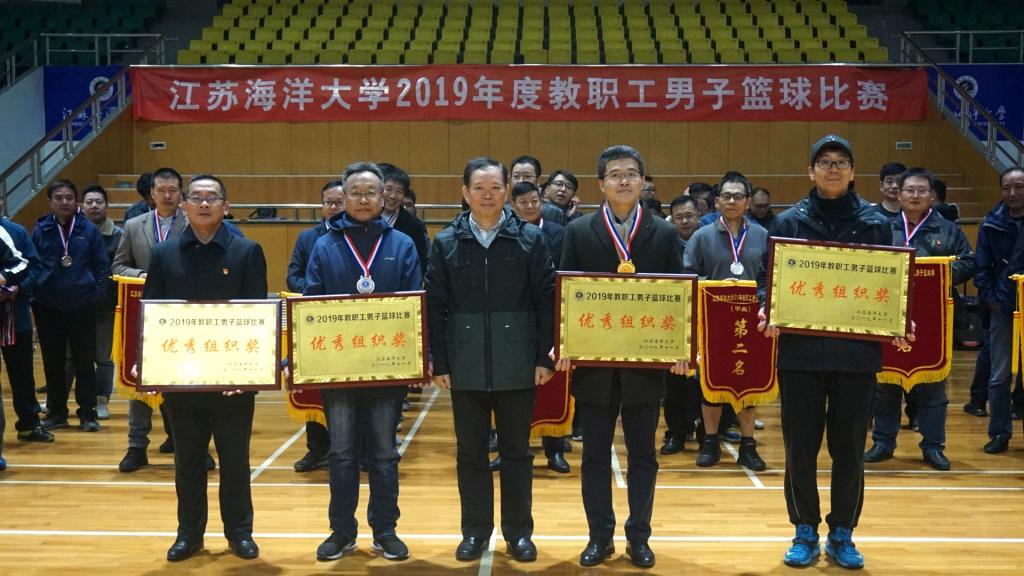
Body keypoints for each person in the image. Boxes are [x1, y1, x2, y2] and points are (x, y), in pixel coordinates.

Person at [757, 135, 902, 570]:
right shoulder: (787, 222)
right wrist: (768, 307)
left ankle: (842, 532)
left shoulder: (875, 223)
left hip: (856, 355)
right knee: (800, 449)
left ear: (853, 172)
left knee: (849, 449)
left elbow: (892, 282)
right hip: (800, 354)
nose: (833, 168)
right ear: (811, 171)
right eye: (824, 162)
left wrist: (900, 316)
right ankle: (804, 529)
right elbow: (768, 279)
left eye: (841, 162)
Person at [557, 145, 688, 569]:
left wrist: (680, 347)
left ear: (643, 181)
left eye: (631, 173)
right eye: (615, 174)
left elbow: (677, 294)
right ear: (601, 184)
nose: (624, 181)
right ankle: (599, 537)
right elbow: (565, 293)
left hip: (644, 367)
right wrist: (565, 343)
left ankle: (639, 537)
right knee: (594, 456)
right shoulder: (578, 231)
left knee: (643, 456)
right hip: (594, 366)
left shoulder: (663, 233)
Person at [426, 157, 555, 564]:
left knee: (517, 453)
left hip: (518, 362)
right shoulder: (446, 242)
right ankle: (475, 532)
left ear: (507, 192)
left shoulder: (530, 239)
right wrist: (439, 361)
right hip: (464, 365)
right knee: (470, 454)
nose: (487, 195)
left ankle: (519, 533)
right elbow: (435, 306)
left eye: (495, 187)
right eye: (479, 188)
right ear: (465, 193)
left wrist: (544, 356)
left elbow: (547, 301)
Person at [144, 174, 267, 562]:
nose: (202, 203)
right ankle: (189, 534)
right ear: (183, 205)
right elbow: (153, 315)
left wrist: (245, 374)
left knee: (235, 463)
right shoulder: (164, 254)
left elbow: (257, 318)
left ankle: (239, 533)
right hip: (182, 381)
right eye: (195, 197)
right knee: (188, 463)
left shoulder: (247, 251)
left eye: (211, 197)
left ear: (225, 206)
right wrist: (157, 370)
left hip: (233, 382)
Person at [304, 162, 421, 562]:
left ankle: (385, 530)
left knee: (384, 454)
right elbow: (312, 303)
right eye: (356, 192)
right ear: (344, 197)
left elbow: (414, 303)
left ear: (384, 196)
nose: (364, 199)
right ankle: (341, 531)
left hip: (387, 368)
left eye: (372, 192)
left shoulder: (402, 244)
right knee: (341, 453)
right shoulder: (325, 245)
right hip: (338, 369)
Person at [865, 167, 974, 471]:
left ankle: (933, 446)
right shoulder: (882, 227)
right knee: (886, 385)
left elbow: (969, 262)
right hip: (889, 315)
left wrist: (935, 274)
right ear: (898, 194)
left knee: (933, 386)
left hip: (933, 319)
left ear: (932, 196)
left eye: (921, 190)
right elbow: (867, 261)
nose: (915, 195)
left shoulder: (948, 230)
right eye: (909, 190)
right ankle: (883, 442)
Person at [112, 167, 204, 473]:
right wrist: (144, 275)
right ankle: (136, 447)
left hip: (184, 317)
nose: (167, 195)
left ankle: (192, 447)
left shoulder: (195, 223)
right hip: (144, 317)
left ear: (181, 194)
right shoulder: (133, 225)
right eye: (161, 190)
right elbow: (118, 266)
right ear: (151, 194)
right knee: (139, 381)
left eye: (173, 190)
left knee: (187, 383)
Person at [684, 172, 768, 472]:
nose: (732, 201)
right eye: (726, 196)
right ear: (717, 201)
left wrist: (758, 298)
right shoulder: (701, 236)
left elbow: (769, 278)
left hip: (751, 323)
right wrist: (718, 287)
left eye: (738, 196)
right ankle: (710, 442)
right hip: (714, 323)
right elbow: (688, 276)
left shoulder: (762, 235)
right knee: (711, 383)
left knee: (748, 383)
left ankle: (748, 445)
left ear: (747, 201)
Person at [32, 179, 108, 433]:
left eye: (69, 198)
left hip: (82, 305)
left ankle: (88, 414)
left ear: (76, 202)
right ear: (50, 202)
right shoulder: (41, 229)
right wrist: (35, 298)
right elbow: (34, 265)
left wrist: (96, 296)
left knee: (85, 363)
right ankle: (56, 413)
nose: (64, 202)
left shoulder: (88, 229)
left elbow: (101, 266)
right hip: (48, 306)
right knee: (53, 362)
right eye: (58, 198)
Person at [510, 180, 570, 474]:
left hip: (552, 314)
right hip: (516, 318)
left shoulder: (559, 233)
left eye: (535, 201)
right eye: (523, 202)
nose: (530, 206)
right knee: (512, 387)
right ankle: (511, 448)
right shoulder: (507, 232)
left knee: (553, 383)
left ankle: (554, 449)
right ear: (513, 206)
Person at [286, 180, 345, 473]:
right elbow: (293, 276)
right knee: (315, 388)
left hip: (347, 323)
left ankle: (354, 450)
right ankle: (317, 449)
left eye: (339, 202)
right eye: (328, 202)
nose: (333, 207)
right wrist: (317, 290)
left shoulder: (355, 236)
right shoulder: (308, 238)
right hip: (315, 321)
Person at [975, 166, 1024, 454]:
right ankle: (999, 433)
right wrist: (991, 298)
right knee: (1000, 374)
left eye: (1020, 187)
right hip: (1003, 307)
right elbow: (981, 266)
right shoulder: (990, 223)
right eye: (1007, 188)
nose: (1013, 193)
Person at [75, 184, 122, 419]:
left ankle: (102, 400)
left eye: (99, 202)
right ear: (81, 206)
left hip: (106, 305)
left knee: (104, 357)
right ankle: (57, 401)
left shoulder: (119, 235)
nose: (94, 206)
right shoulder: (73, 232)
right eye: (89, 202)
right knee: (70, 356)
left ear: (107, 205)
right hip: (76, 304)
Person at [661, 195, 702, 455]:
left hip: (703, 317)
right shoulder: (664, 241)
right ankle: (675, 432)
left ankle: (707, 433)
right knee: (674, 381)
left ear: (699, 216)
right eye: (679, 217)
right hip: (672, 319)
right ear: (671, 219)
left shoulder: (708, 238)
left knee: (702, 381)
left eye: (689, 216)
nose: (685, 221)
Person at [0, 209, 36, 470]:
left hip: (13, 315)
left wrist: (9, 282)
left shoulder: (11, 232)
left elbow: (26, 264)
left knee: (21, 373)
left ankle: (29, 423)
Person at [378, 164, 429, 274]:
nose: (393, 196)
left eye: (399, 191)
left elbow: (420, 263)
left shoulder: (414, 225)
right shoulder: (366, 218)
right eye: (388, 189)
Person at [511, 155, 566, 225]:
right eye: (516, 176)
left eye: (527, 176)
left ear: (538, 180)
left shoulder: (554, 213)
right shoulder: (502, 210)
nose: (521, 181)